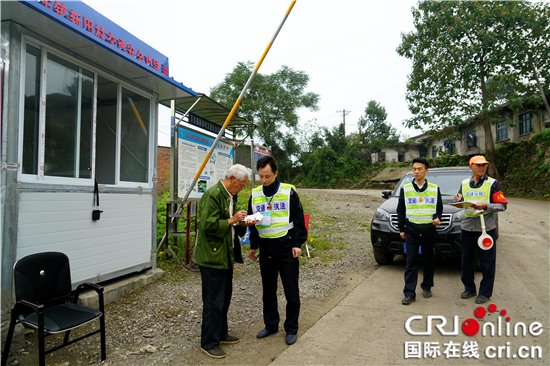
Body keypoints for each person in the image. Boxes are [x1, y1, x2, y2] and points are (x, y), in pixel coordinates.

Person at [195, 164, 255, 359]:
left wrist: (242, 222)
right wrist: (232, 220)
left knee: (224, 297)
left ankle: (220, 333)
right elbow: (206, 225)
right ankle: (208, 342)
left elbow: (231, 222)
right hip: (212, 257)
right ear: (231, 179)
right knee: (213, 300)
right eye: (241, 185)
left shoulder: (230, 195)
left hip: (225, 254)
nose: (242, 189)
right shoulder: (212, 195)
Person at [248, 156, 308, 346]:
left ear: (275, 173)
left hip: (287, 247)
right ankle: (271, 325)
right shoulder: (255, 194)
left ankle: (291, 329)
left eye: (267, 176)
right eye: (261, 176)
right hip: (266, 249)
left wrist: (298, 244)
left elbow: (299, 220)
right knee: (268, 290)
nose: (264, 180)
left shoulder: (288, 192)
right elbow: (253, 222)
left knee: (291, 292)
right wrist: (253, 245)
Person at [454, 156, 508, 304]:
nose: (481, 167)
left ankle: (485, 292)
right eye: (478, 165)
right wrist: (458, 199)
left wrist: (486, 206)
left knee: (487, 261)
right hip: (467, 227)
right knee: (466, 260)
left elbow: (502, 205)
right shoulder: (465, 183)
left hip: (486, 228)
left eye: (484, 165)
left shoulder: (493, 184)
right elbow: (461, 198)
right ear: (471, 166)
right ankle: (469, 288)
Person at [397, 158, 443, 305]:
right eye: (414, 168)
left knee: (428, 260)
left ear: (426, 171)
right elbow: (401, 211)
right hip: (411, 230)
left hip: (429, 230)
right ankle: (409, 293)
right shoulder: (406, 189)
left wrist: (437, 218)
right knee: (411, 262)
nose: (416, 171)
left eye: (420, 169)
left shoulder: (434, 189)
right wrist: (401, 229)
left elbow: (439, 208)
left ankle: (427, 286)